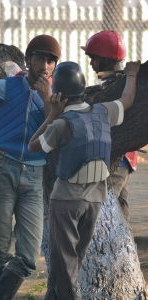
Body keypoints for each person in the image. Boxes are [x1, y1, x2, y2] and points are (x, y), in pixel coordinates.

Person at [28, 60, 140, 300]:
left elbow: (33, 146)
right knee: (75, 259)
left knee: (64, 263)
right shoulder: (102, 111)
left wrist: (52, 114)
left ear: (59, 94)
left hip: (67, 200)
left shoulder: (61, 124)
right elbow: (128, 101)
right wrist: (131, 75)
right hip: (96, 200)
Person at [0, 34, 61, 300]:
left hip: (33, 176)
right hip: (2, 170)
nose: (45, 64)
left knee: (28, 256)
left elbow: (56, 135)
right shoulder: (4, 87)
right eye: (40, 57)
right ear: (28, 60)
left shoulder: (54, 99)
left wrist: (48, 101)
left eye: (51, 60)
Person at [81, 30, 138, 220]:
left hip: (117, 160)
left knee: (105, 211)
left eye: (93, 58)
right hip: (126, 159)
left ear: (105, 59)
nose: (91, 63)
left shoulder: (119, 85)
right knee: (120, 208)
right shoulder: (116, 82)